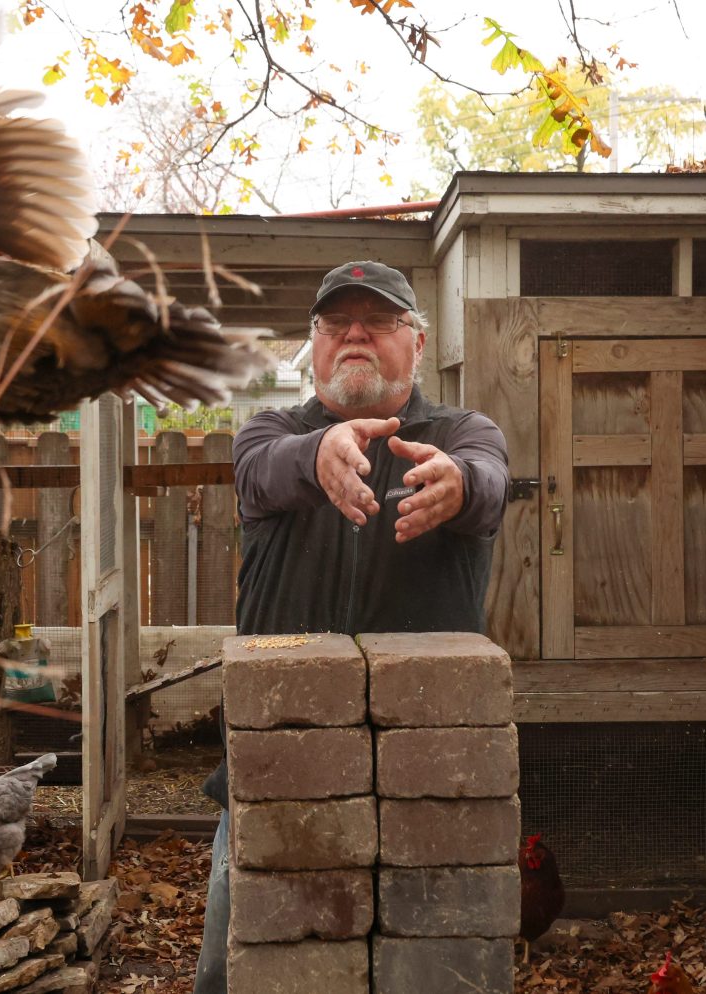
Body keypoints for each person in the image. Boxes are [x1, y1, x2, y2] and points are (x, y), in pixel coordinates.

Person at [192, 260, 509, 994]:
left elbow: (488, 485)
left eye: (379, 320)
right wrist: (318, 454)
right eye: (338, 323)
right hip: (277, 763)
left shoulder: (462, 434)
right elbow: (260, 473)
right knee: (234, 973)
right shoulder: (272, 434)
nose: (356, 334)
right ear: (315, 342)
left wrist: (459, 487)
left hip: (430, 772)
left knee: (427, 972)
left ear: (418, 343)